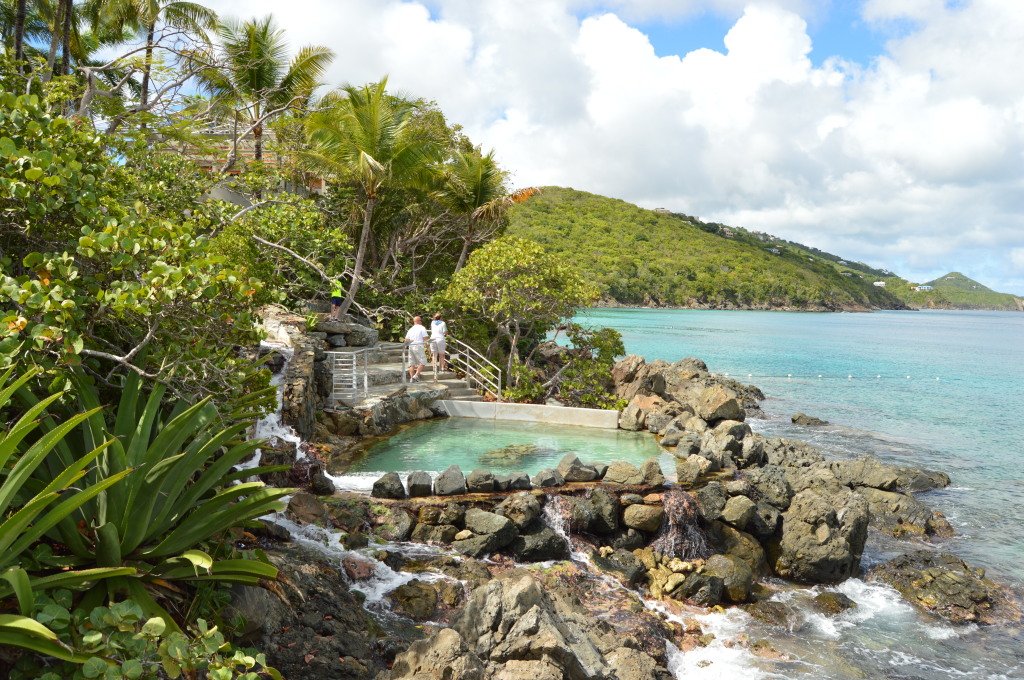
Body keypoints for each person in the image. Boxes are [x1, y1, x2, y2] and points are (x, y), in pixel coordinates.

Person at [404, 315, 429, 382]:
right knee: (423, 362)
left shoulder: (410, 329)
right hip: (419, 346)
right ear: (419, 321)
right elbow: (425, 339)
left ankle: (412, 379)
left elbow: (406, 340)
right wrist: (428, 347)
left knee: (411, 363)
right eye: (420, 320)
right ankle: (416, 375)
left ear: (414, 322)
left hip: (411, 346)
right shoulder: (422, 328)